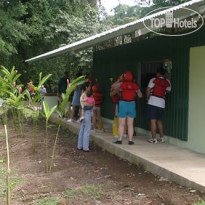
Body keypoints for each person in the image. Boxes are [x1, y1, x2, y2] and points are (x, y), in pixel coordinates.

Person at [113, 71, 142, 145]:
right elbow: (140, 95)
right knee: (130, 124)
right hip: (132, 104)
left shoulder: (121, 84)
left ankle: (119, 140)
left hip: (123, 104)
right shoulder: (135, 85)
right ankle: (130, 141)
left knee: (121, 124)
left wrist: (119, 80)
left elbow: (113, 86)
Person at [146, 67, 171, 143]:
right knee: (159, 120)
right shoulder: (167, 81)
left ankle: (154, 139)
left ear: (158, 73)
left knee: (153, 121)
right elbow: (169, 91)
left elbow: (148, 90)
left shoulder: (153, 80)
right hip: (161, 102)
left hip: (153, 101)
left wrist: (147, 98)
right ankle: (162, 138)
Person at [77, 84, 93, 152]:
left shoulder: (82, 94)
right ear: (86, 87)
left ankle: (80, 145)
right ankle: (85, 147)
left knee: (82, 129)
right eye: (89, 86)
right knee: (87, 130)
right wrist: (92, 103)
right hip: (87, 112)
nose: (90, 88)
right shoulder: (85, 94)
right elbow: (86, 104)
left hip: (84, 113)